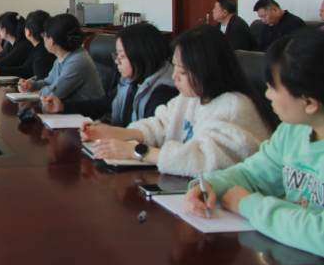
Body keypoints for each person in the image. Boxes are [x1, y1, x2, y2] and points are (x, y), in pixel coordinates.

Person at [184, 30, 324, 265]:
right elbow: (253, 172)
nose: (267, 95)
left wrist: (249, 204)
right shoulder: (293, 130)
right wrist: (210, 185)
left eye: (273, 88)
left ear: (309, 102)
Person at [83, 24, 277, 177]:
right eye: (174, 66)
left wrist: (136, 151)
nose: (174, 76)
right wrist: (115, 133)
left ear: (207, 69)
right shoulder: (191, 97)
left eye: (182, 71)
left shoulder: (236, 106)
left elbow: (206, 160)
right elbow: (161, 125)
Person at [41, 23, 178, 124]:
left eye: (122, 56)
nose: (117, 61)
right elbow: (101, 105)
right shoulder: (131, 80)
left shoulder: (163, 93)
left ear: (142, 56)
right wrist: (63, 106)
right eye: (116, 55)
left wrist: (110, 133)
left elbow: (147, 139)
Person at [17, 13, 104, 101]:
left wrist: (39, 92)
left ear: (51, 41)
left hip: (86, 110)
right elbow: (49, 82)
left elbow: (53, 92)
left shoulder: (78, 61)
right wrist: (31, 85)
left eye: (44, 35)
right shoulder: (62, 58)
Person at [0, 10, 56, 80]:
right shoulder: (38, 49)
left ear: (28, 31)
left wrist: (32, 86)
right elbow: (24, 70)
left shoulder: (38, 52)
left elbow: (41, 83)